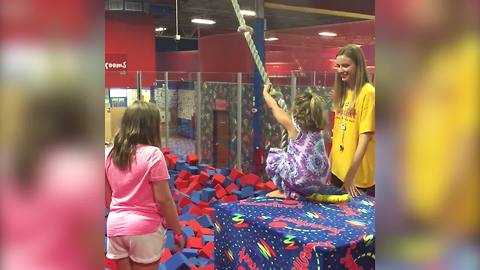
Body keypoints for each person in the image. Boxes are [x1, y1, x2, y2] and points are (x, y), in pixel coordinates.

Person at [105, 101, 184, 270]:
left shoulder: (108, 154)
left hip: (115, 227)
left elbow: (106, 198)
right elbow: (164, 200)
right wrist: (177, 230)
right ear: (151, 127)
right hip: (144, 229)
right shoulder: (153, 154)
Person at [263, 84, 331, 200]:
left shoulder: (293, 126)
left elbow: (274, 108)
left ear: (297, 110)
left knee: (275, 157)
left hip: (301, 178)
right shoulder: (319, 128)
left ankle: (285, 192)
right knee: (303, 164)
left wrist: (265, 93)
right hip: (321, 180)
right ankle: (303, 192)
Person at [330, 44, 375, 197]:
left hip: (356, 177)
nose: (341, 70)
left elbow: (365, 139)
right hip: (337, 172)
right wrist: (329, 167)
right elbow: (337, 135)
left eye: (346, 65)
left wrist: (350, 177)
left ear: (358, 66)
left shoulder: (368, 93)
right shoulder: (342, 92)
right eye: (338, 66)